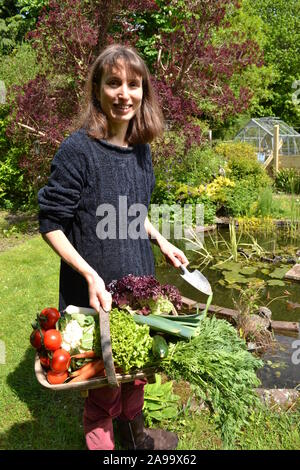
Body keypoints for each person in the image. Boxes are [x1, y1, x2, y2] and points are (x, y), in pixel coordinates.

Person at [38, 44, 188, 451]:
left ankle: (135, 436)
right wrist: (88, 274)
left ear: (144, 92)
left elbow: (133, 210)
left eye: (134, 84)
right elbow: (50, 222)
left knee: (137, 372)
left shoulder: (142, 151)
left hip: (138, 286)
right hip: (96, 294)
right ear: (98, 90)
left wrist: (161, 239)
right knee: (104, 388)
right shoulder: (78, 150)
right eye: (114, 82)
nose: (125, 93)